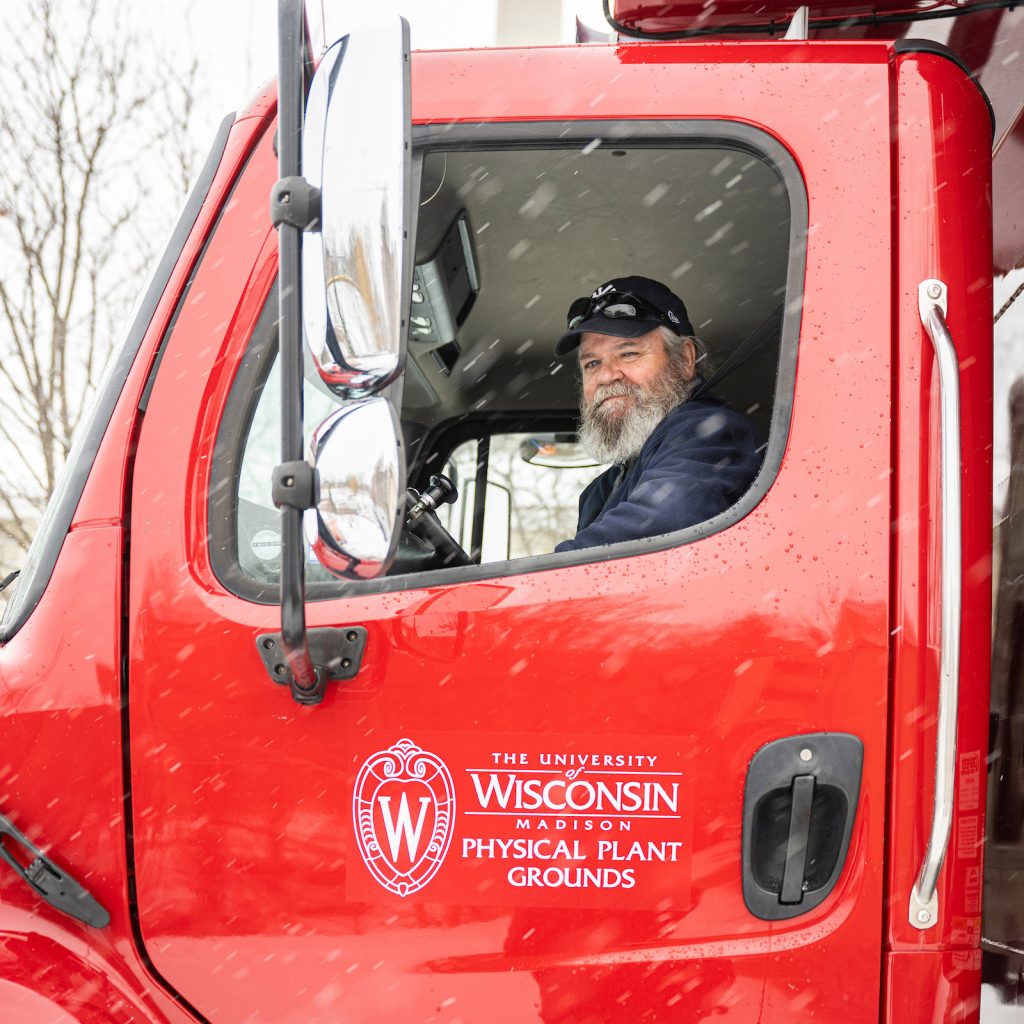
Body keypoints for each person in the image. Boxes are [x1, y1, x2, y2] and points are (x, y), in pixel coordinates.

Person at [553, 275, 761, 552]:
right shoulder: (598, 492)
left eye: (628, 354)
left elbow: (663, 518)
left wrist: (528, 582)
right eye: (592, 363)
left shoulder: (709, 433)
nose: (606, 376)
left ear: (685, 359)